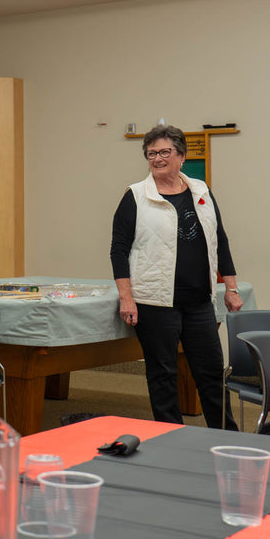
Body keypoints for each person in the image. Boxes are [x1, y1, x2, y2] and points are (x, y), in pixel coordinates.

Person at [110, 124, 242, 428]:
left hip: (199, 302)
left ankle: (228, 437)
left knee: (210, 374)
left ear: (181, 156)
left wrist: (231, 287)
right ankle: (170, 440)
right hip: (155, 304)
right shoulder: (135, 196)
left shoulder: (201, 190)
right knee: (163, 376)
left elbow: (219, 239)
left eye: (164, 152)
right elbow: (118, 250)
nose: (157, 158)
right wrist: (126, 298)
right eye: (151, 153)